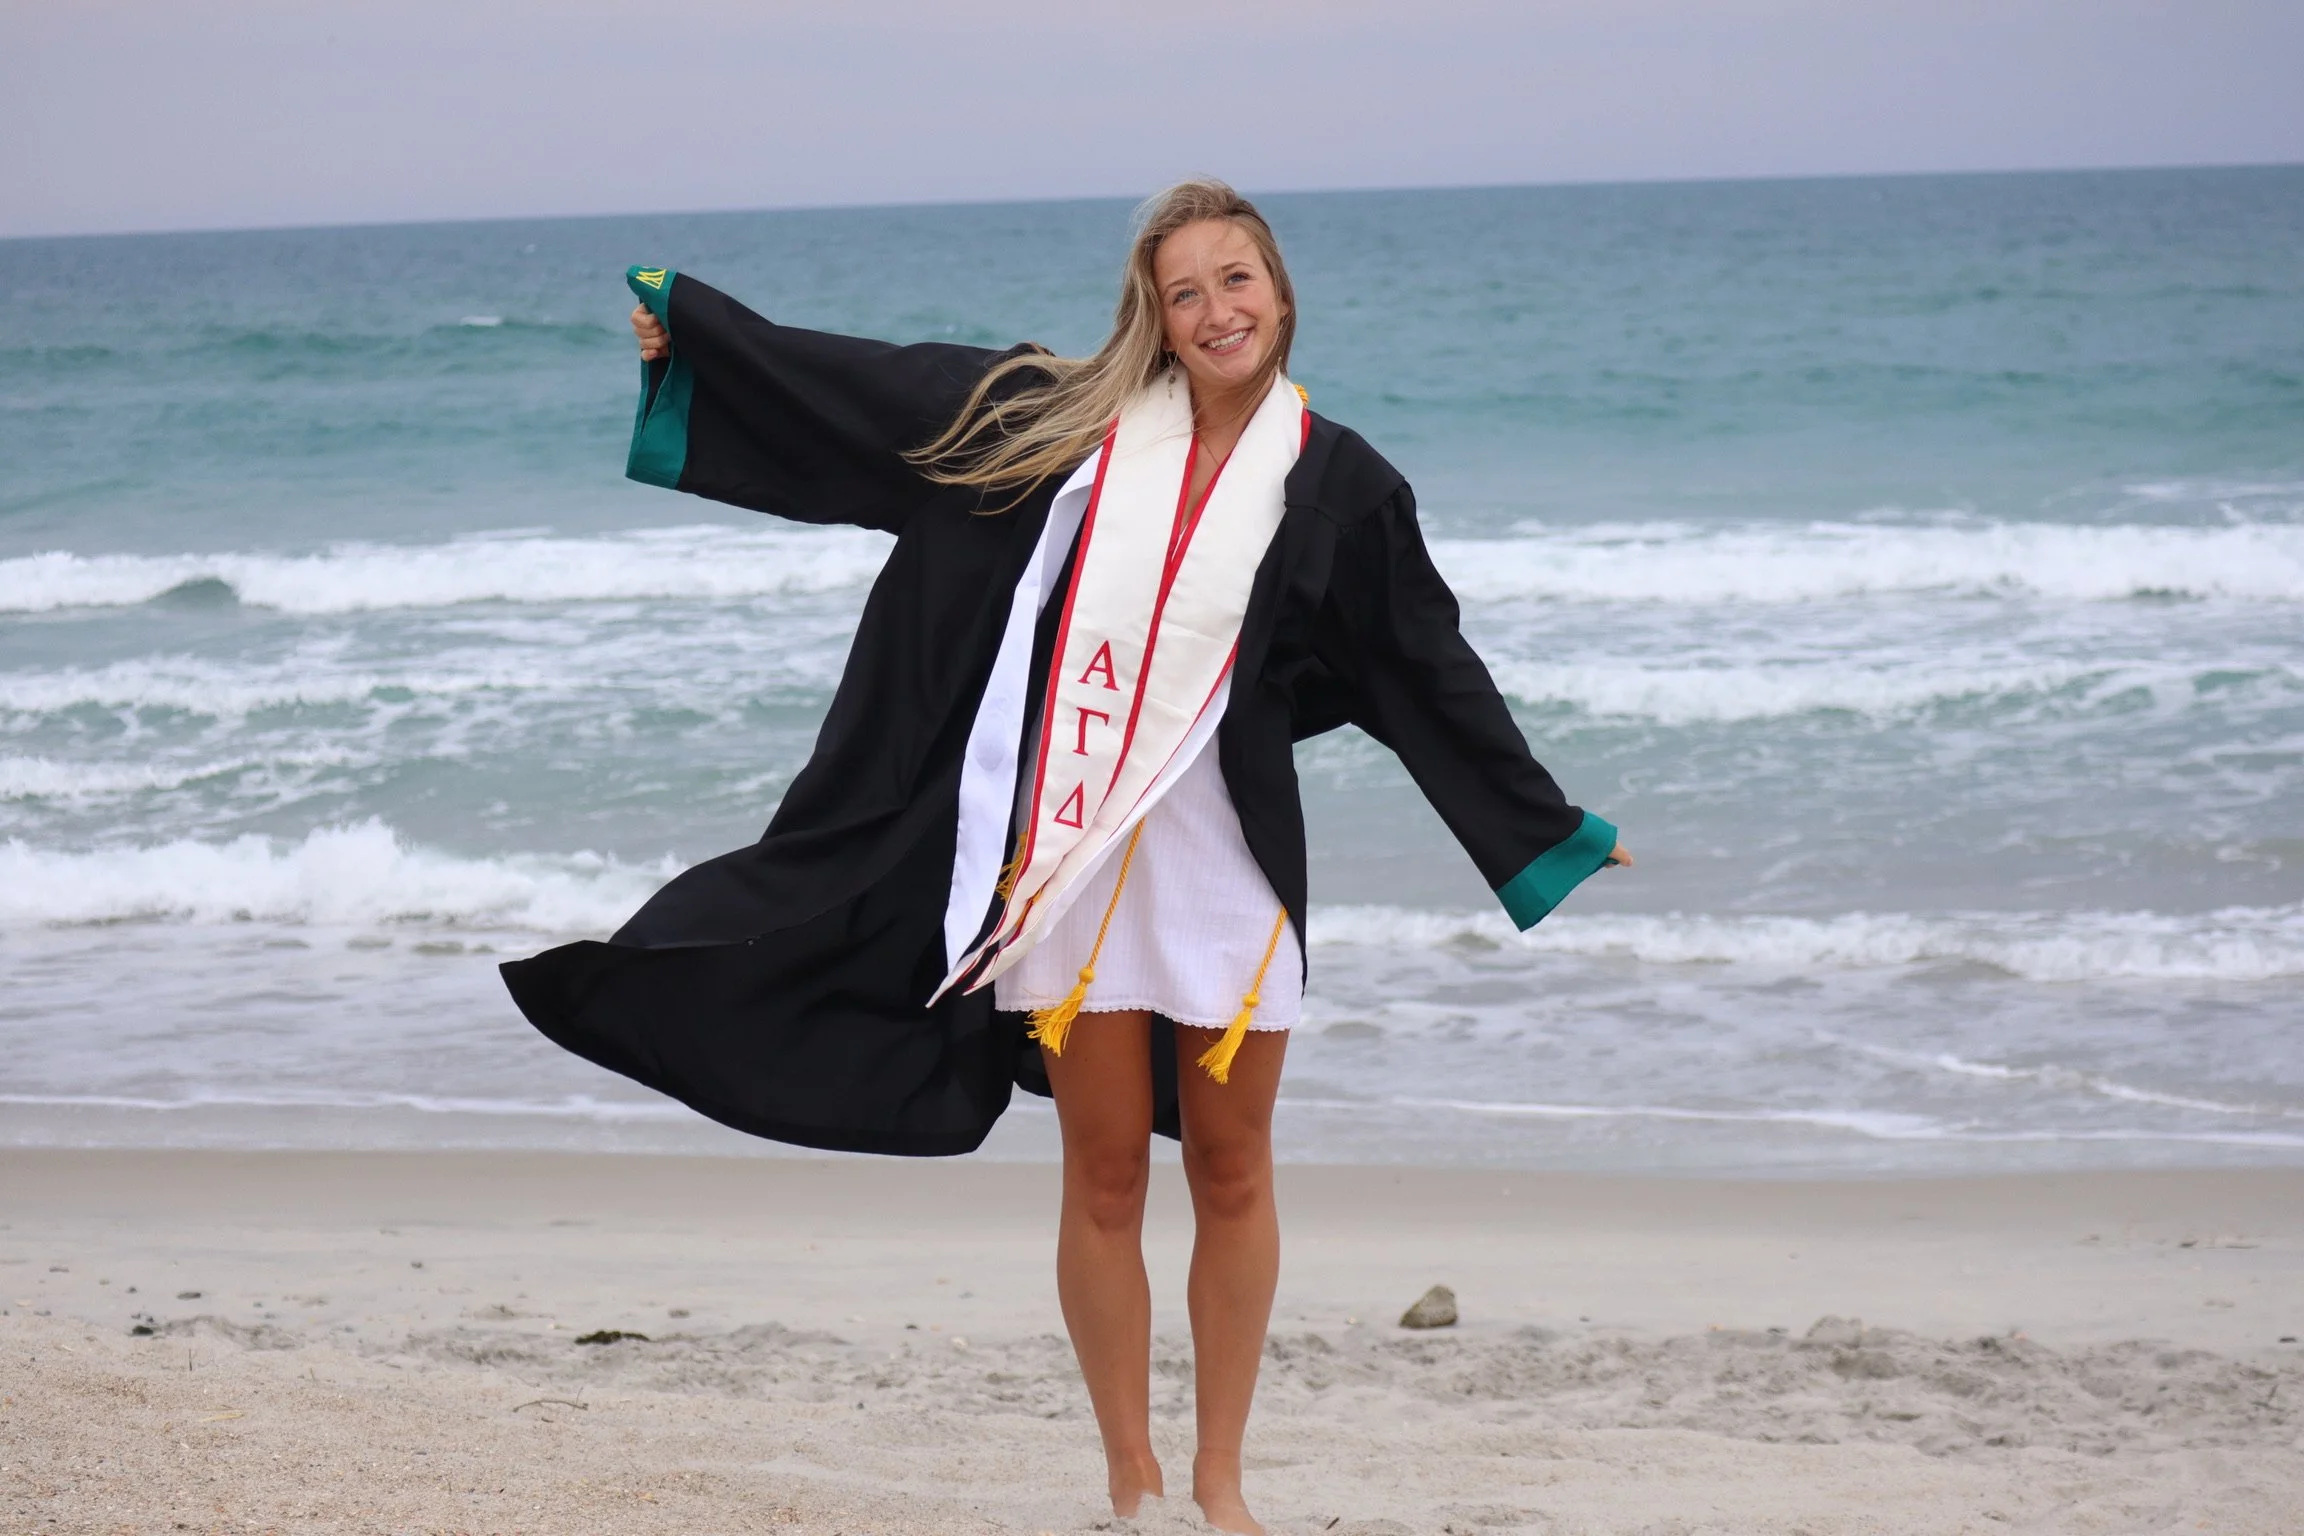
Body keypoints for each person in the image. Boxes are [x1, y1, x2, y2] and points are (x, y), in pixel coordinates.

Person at [502, 178, 1630, 1535]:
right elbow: (867, 394)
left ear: (1281, 293)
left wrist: (1543, 826)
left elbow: (1420, 666)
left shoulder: (1339, 482)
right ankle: (1130, 1478)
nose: (1216, 310)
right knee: (1103, 1174)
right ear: (1154, 315)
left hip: (1225, 866)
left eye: (1236, 279)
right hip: (1071, 860)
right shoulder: (1064, 426)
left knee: (1233, 1170)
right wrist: (700, 340)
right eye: (1184, 291)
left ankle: (1220, 1481)